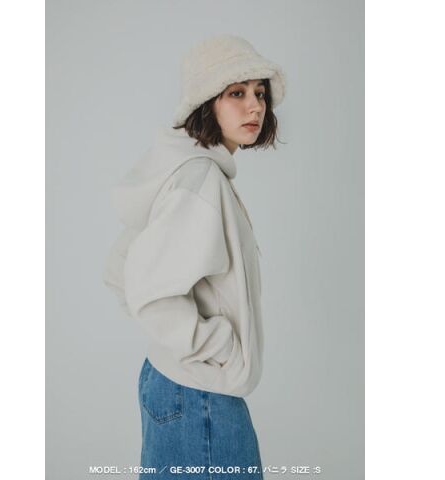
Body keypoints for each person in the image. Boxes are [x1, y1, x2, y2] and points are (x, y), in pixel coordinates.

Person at [103, 34, 286, 479]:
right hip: (200, 396)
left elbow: (121, 265)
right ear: (205, 102)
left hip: (181, 387)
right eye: (236, 93)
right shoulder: (200, 180)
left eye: (259, 93)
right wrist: (219, 348)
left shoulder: (185, 171)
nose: (255, 107)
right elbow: (149, 292)